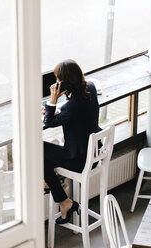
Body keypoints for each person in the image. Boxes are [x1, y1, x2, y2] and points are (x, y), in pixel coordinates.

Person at [43, 59, 101, 224]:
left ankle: (59, 195)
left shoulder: (70, 108)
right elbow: (73, 111)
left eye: (57, 79)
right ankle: (58, 194)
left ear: (64, 82)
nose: (56, 83)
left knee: (37, 150)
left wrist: (52, 102)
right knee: (45, 160)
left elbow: (48, 123)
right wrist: (56, 111)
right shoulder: (90, 87)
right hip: (92, 153)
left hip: (78, 161)